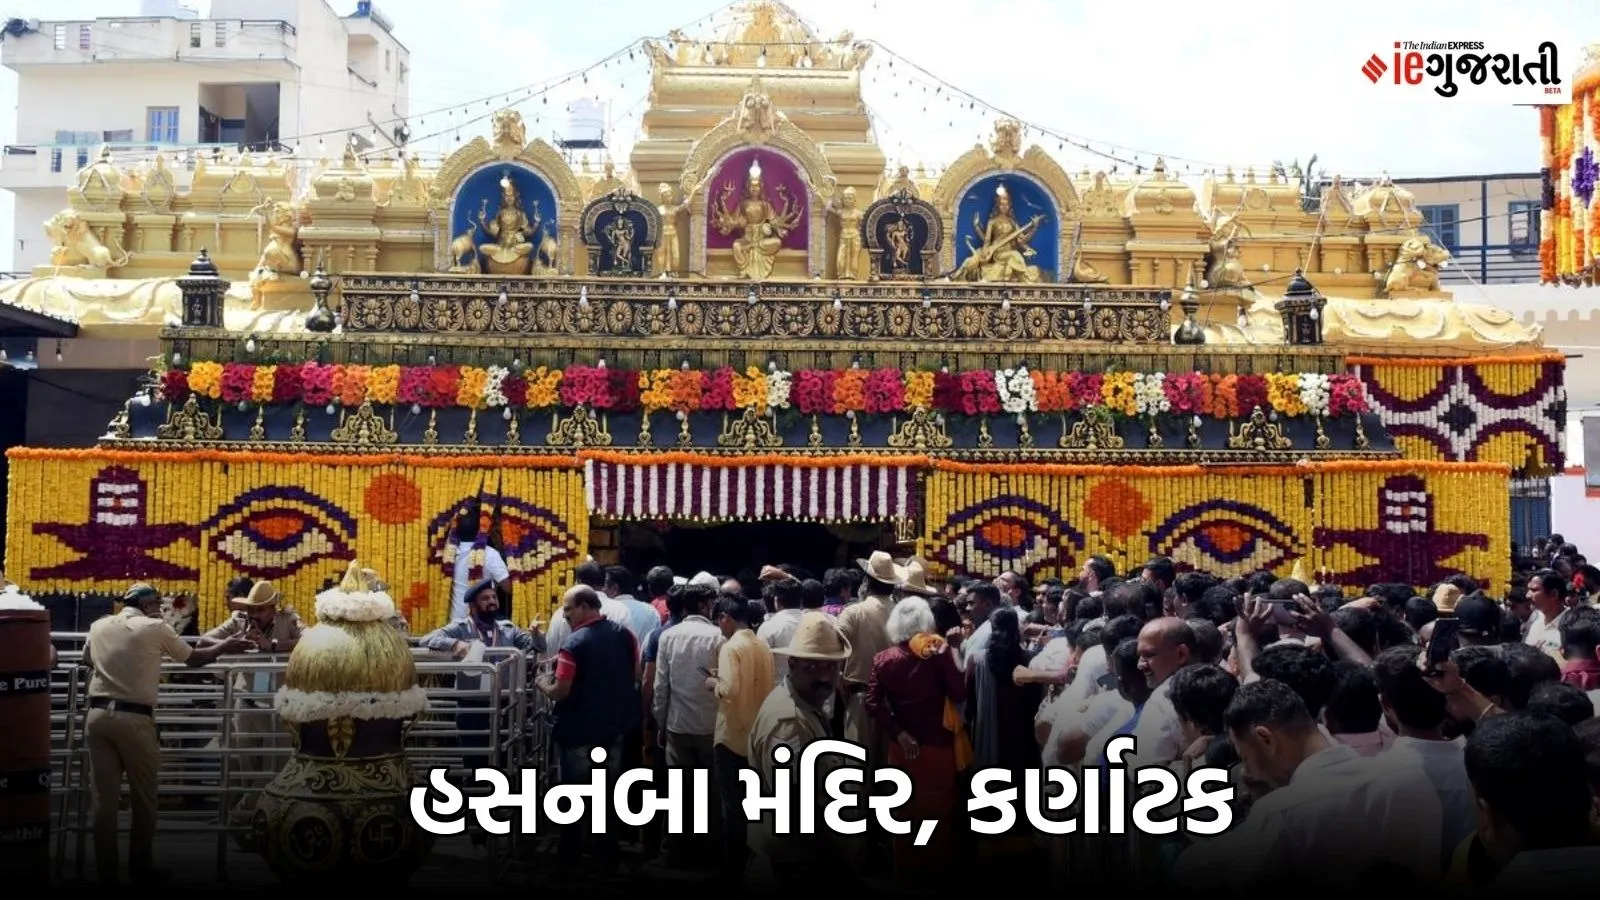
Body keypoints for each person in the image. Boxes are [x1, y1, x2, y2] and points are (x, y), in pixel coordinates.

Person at [82, 583, 252, 885]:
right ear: (147, 605)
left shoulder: (98, 625)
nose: (160, 608)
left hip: (96, 717)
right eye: (158, 604)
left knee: (103, 802)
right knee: (145, 797)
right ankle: (140, 867)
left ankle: (106, 874)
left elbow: (87, 659)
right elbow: (194, 658)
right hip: (134, 717)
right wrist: (226, 646)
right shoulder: (155, 627)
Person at [747, 611, 862, 888]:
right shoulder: (789, 722)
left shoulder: (807, 705)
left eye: (831, 667)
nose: (824, 676)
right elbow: (793, 808)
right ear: (792, 664)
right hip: (792, 865)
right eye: (813, 667)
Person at [535, 585, 640, 875]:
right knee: (607, 794)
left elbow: (560, 691)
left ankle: (570, 856)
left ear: (584, 606)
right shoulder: (625, 635)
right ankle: (607, 856)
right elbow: (634, 675)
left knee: (574, 795)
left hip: (579, 732)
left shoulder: (574, 644)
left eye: (568, 609)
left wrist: (542, 683)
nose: (565, 616)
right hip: (613, 730)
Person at [864, 596, 966, 884]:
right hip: (937, 743)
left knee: (903, 813)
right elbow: (959, 694)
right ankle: (937, 875)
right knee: (938, 811)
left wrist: (898, 732)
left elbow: (872, 704)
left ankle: (907, 876)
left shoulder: (883, 660)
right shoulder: (939, 653)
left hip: (902, 746)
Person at [200, 580, 304, 824]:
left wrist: (274, 646)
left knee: (278, 764)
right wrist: (232, 643)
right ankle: (251, 822)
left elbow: (310, 641)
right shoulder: (238, 621)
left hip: (278, 705)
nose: (253, 615)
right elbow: (203, 642)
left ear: (272, 609)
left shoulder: (289, 620)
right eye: (251, 609)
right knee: (246, 765)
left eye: (259, 610)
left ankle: (242, 816)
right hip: (245, 703)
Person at [707, 596, 775, 882]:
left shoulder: (731, 646)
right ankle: (751, 864)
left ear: (726, 617)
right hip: (757, 736)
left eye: (718, 621)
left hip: (732, 736)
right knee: (754, 807)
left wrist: (713, 683)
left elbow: (730, 690)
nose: (719, 628)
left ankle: (732, 870)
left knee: (732, 808)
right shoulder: (763, 645)